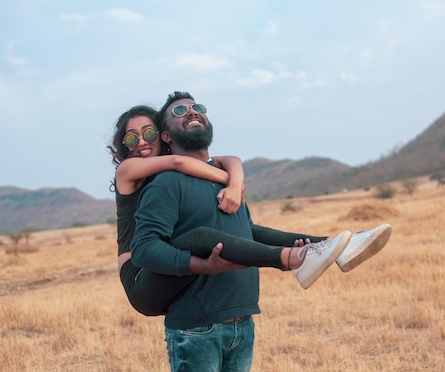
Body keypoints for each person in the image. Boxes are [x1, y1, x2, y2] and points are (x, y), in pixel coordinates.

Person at [129, 92, 391, 372]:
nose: (192, 112)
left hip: (242, 322)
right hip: (197, 328)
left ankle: (330, 245)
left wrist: (302, 240)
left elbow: (246, 233)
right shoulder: (167, 183)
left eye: (198, 108)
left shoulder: (226, 181)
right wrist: (196, 265)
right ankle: (297, 261)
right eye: (180, 110)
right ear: (166, 135)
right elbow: (144, 248)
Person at [109, 104, 381, 317]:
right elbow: (180, 161)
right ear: (124, 146)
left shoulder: (169, 173)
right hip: (140, 275)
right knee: (202, 237)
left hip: (164, 265)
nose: (141, 142)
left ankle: (332, 246)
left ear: (161, 135)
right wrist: (228, 180)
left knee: (246, 230)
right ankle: (292, 259)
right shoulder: (128, 170)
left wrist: (236, 179)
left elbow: (229, 159)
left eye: (148, 133)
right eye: (131, 138)